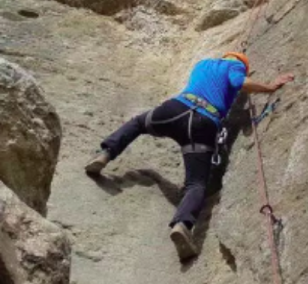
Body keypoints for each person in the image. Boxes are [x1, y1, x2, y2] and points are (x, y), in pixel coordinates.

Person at [85, 52, 294, 260]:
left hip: (176, 109)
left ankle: (105, 154)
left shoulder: (203, 64)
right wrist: (269, 87)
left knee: (139, 124)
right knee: (196, 184)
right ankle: (182, 225)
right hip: (203, 124)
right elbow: (238, 81)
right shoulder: (235, 66)